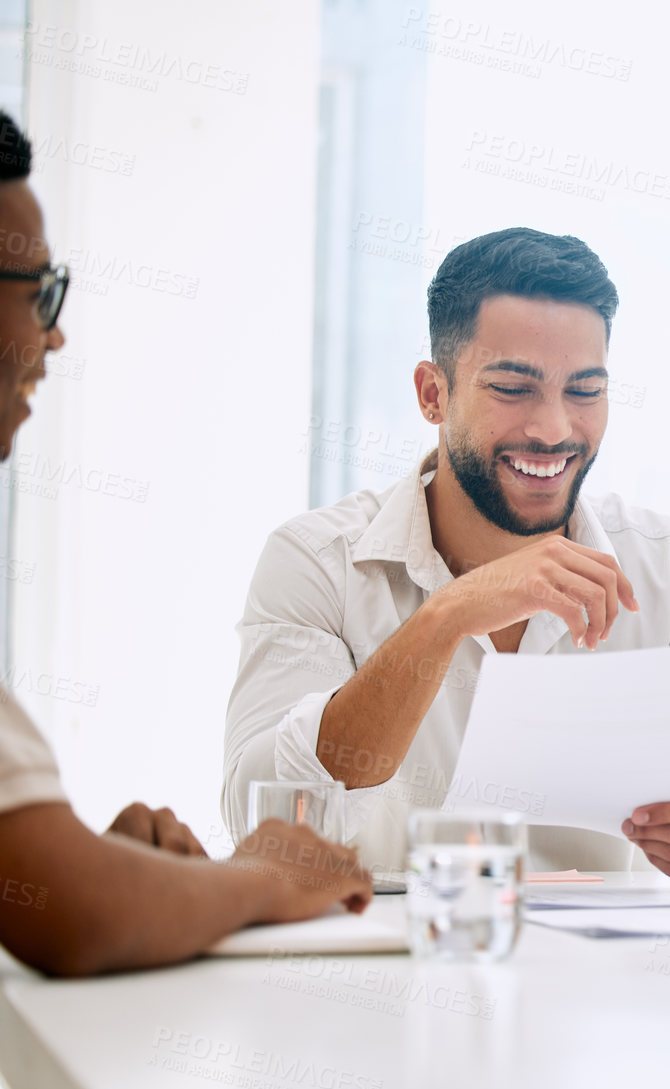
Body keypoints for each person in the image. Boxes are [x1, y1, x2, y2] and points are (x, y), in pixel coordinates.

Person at [222, 228, 670, 890]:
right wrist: (445, 615)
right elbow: (263, 818)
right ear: (432, 394)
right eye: (513, 388)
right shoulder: (317, 563)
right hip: (385, 974)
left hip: (605, 982)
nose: (555, 429)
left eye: (585, 390)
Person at [0, 112, 370, 976]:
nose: (55, 336)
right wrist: (265, 877)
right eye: (41, 292)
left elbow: (58, 888)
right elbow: (75, 917)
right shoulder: (312, 555)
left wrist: (94, 864)